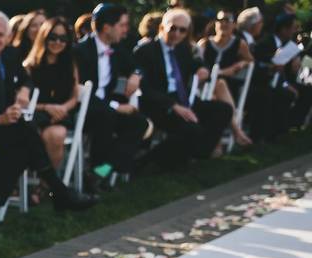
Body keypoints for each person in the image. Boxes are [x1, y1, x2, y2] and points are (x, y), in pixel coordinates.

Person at [0, 11, 96, 215]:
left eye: (0, 35)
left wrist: (25, 89)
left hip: (3, 129)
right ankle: (59, 192)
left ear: (9, 36)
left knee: (23, 142)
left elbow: (24, 78)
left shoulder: (10, 55)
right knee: (26, 137)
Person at [133, 9, 233, 165]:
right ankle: (147, 162)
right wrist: (173, 106)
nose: (177, 34)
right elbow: (144, 87)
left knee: (223, 110)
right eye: (173, 28)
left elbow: (196, 63)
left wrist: (202, 68)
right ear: (162, 28)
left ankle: (198, 153)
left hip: (183, 99)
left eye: (182, 30)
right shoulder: (145, 51)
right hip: (160, 103)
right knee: (192, 130)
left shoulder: (183, 49)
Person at [73, 3, 149, 178]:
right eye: (122, 25)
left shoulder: (117, 49)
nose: (126, 30)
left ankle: (101, 171)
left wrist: (135, 75)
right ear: (107, 27)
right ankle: (98, 172)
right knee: (107, 117)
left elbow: (137, 67)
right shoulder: (80, 51)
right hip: (84, 110)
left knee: (138, 123)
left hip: (106, 110)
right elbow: (81, 92)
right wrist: (115, 106)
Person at [24, 17, 79, 171]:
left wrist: (62, 109)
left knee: (56, 135)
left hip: (61, 114)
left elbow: (75, 96)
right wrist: (47, 107)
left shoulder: (70, 64)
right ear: (44, 37)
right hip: (36, 113)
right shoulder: (30, 66)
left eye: (63, 39)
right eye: (53, 37)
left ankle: (46, 186)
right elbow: (24, 100)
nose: (58, 42)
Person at [198, 9, 254, 146]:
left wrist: (240, 64)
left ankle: (215, 144)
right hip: (203, 87)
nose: (224, 24)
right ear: (215, 23)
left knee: (219, 86)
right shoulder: (204, 44)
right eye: (220, 20)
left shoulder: (239, 44)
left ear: (234, 25)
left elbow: (250, 61)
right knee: (217, 87)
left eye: (228, 21)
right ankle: (237, 132)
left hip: (228, 90)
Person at [254, 12, 312, 129]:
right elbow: (267, 64)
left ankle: (295, 124)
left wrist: (296, 59)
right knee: (296, 91)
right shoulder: (266, 42)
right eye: (294, 28)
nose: (296, 31)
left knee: (308, 85)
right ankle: (283, 127)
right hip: (266, 80)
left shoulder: (287, 43)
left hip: (287, 78)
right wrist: (285, 84)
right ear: (283, 29)